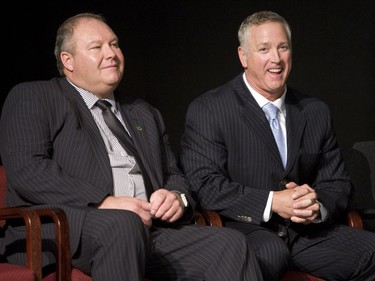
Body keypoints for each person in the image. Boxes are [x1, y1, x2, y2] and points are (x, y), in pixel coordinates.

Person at [0, 13, 264, 281]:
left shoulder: (143, 113)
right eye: (97, 47)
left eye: (114, 44)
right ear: (68, 61)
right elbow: (28, 170)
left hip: (148, 229)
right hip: (68, 225)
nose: (111, 53)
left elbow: (173, 174)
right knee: (122, 225)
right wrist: (104, 201)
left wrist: (176, 197)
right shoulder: (35, 96)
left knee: (231, 244)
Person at [180, 10, 375, 281]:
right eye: (264, 49)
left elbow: (338, 183)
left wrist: (316, 206)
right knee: (268, 256)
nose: (276, 59)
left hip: (307, 234)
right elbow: (204, 185)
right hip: (247, 229)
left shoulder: (315, 111)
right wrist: (272, 202)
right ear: (243, 56)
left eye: (283, 47)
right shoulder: (210, 109)